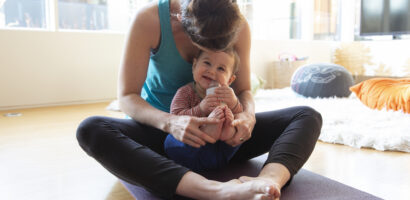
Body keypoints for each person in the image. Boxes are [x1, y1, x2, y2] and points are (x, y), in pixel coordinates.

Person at [76, 0, 323, 199]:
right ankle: (214, 191)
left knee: (307, 116)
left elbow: (245, 90)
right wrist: (171, 123)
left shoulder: (239, 26)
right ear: (184, 21)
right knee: (91, 129)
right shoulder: (149, 20)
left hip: (221, 138)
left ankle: (267, 183)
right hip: (162, 136)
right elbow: (127, 96)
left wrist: (246, 115)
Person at [165, 49, 243, 172]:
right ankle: (208, 130)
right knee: (170, 140)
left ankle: (226, 131)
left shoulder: (227, 95)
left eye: (221, 69)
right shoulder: (185, 92)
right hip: (191, 150)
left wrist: (234, 105)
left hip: (218, 152)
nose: (211, 71)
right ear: (194, 66)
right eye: (207, 63)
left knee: (240, 128)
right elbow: (175, 117)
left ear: (229, 80)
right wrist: (200, 109)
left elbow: (240, 114)